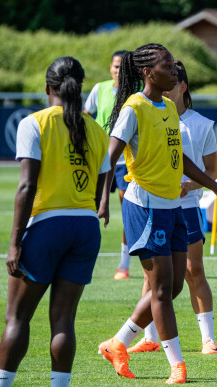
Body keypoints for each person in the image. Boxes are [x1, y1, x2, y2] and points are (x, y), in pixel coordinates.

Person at [96, 44, 217, 384]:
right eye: (167, 65)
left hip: (172, 206)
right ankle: (177, 366)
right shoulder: (134, 108)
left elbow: (182, 160)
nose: (174, 71)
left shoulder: (166, 107)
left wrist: (216, 188)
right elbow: (110, 156)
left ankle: (118, 343)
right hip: (144, 206)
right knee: (162, 290)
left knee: (175, 285)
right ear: (149, 73)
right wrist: (103, 199)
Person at [0, 57, 110, 387]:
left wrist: (15, 241)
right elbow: (101, 188)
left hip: (47, 226)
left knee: (16, 318)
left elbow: (27, 186)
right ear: (80, 88)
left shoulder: (34, 123)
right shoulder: (97, 130)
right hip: (86, 229)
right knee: (63, 321)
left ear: (48, 88)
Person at [126, 60, 217, 355]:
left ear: (182, 86)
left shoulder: (202, 125)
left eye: (173, 80)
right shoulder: (150, 114)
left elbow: (211, 171)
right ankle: (150, 336)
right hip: (154, 205)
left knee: (193, 271)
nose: (166, 88)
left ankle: (208, 338)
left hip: (187, 206)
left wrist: (191, 187)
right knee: (152, 276)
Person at [84, 49, 132, 280]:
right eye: (115, 66)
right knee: (91, 207)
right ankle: (83, 257)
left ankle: (124, 264)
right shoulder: (99, 89)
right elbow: (85, 115)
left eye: (123, 67)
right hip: (99, 158)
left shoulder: (135, 93)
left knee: (127, 209)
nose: (118, 71)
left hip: (125, 161)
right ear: (110, 68)